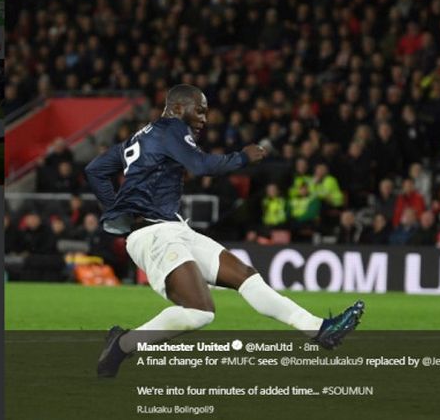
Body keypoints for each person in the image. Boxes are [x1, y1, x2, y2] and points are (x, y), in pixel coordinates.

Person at [85, 85, 364, 378]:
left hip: (172, 227)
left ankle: (320, 330)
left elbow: (95, 169)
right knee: (200, 312)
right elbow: (201, 165)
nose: (205, 118)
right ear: (178, 108)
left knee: (246, 276)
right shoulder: (171, 128)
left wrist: (117, 210)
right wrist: (242, 157)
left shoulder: (141, 136)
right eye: (200, 110)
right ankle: (123, 345)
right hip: (154, 234)